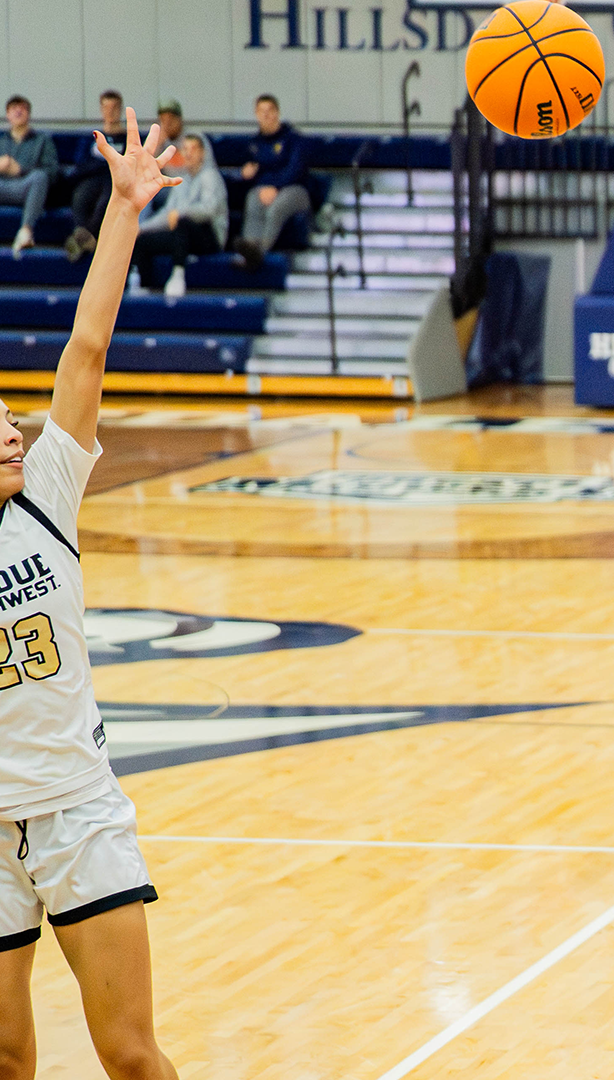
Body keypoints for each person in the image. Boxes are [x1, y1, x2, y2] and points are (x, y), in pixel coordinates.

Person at [0, 107, 183, 1080]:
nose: (8, 432)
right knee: (5, 1055)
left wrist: (122, 212)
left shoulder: (49, 495)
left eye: (5, 417)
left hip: (74, 809)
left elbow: (86, 347)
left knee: (130, 1054)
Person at [131, 134, 225, 297]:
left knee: (183, 222)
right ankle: (144, 285)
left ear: (202, 153)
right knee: (143, 239)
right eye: (185, 149)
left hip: (210, 237)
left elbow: (209, 210)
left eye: (193, 149)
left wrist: (181, 213)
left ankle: (177, 275)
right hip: (183, 236)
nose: (188, 154)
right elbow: (167, 214)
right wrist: (140, 228)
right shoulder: (181, 181)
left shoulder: (210, 176)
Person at [232, 94, 311, 272]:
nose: (266, 116)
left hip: (296, 191)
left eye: (270, 111)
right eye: (262, 112)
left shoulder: (294, 139)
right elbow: (251, 172)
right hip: (264, 189)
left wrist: (275, 186)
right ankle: (248, 249)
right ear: (256, 114)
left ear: (277, 113)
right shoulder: (254, 144)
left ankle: (259, 252)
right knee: (253, 199)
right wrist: (245, 175)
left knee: (277, 207)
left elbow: (295, 171)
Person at [64, 90, 129, 262]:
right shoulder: (91, 137)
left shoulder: (128, 138)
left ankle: (83, 237)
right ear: (101, 110)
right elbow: (81, 165)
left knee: (106, 201)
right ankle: (85, 236)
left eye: (114, 108)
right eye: (106, 108)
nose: (110, 112)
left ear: (120, 109)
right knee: (80, 196)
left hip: (115, 181)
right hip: (91, 179)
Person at [0, 96, 58, 258]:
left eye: (23, 108)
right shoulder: (1, 141)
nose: (18, 111)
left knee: (39, 177)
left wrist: (21, 170)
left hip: (26, 188)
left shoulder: (42, 141)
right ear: (7, 114)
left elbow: (52, 173)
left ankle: (25, 231)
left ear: (29, 114)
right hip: (2, 186)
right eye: (14, 108)